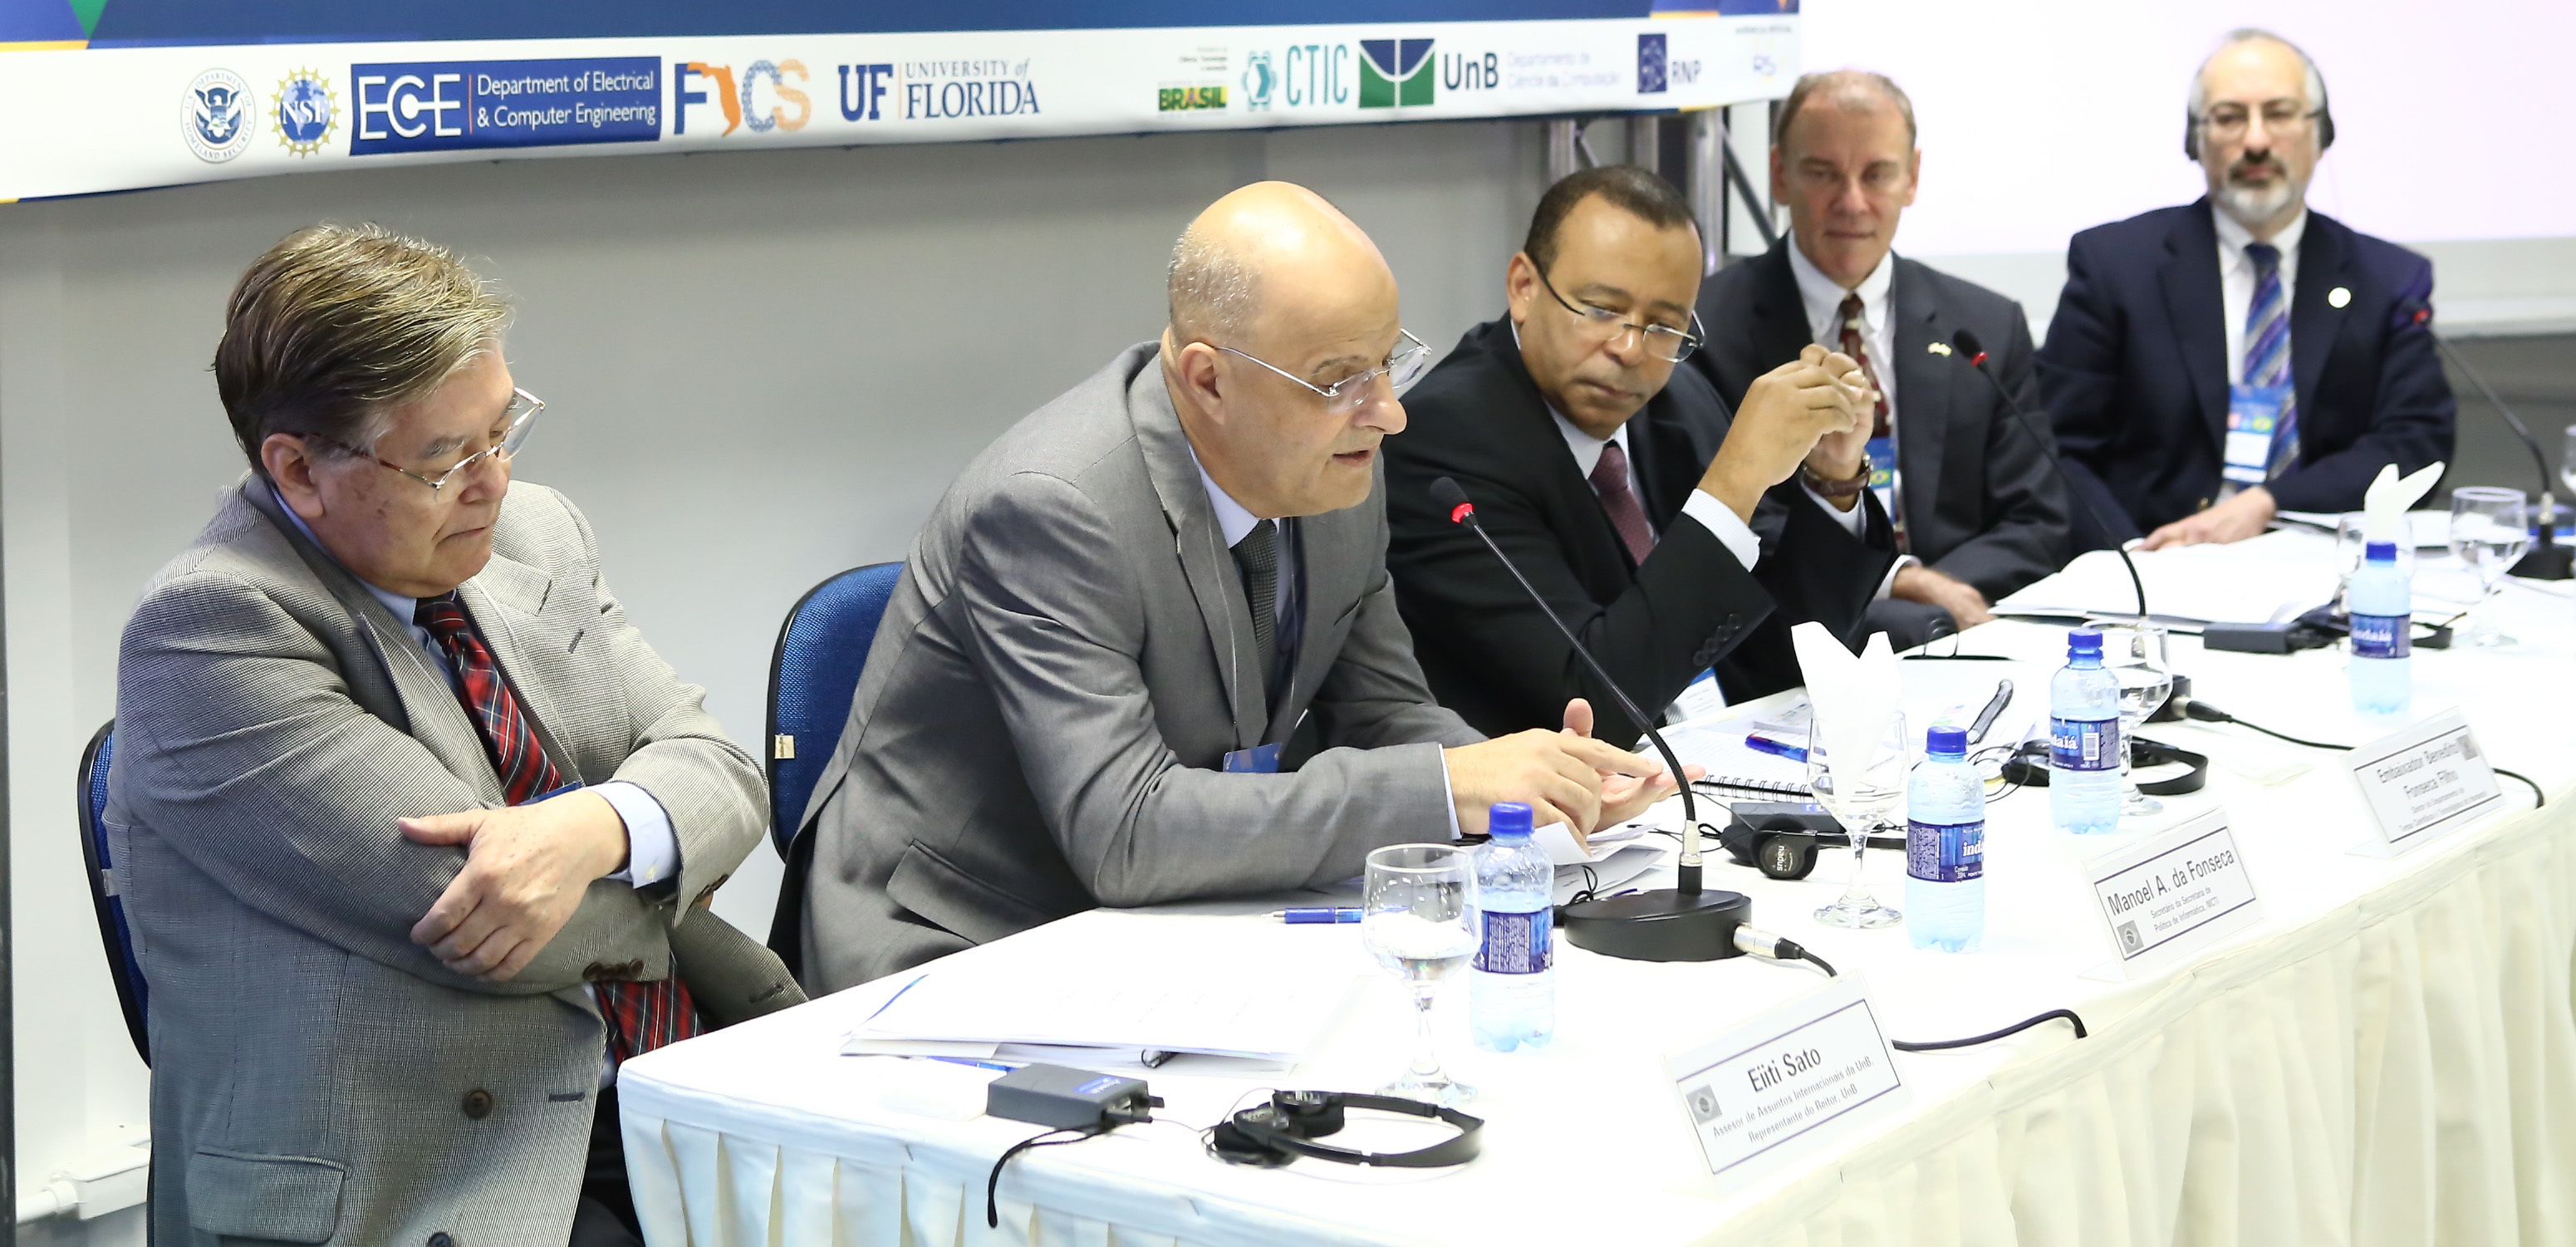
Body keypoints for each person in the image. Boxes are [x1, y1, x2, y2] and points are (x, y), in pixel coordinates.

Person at [782, 182, 1672, 996]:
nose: (1388, 412)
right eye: (1340, 379)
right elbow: (1128, 832)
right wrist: (1448, 784)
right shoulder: (1052, 507)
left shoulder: (1337, 468)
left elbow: (1387, 713)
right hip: (962, 945)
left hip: (1168, 924)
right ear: (1208, 378)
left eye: (1387, 363)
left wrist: (1536, 792)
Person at [110, 226, 795, 1247]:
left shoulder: (537, 532)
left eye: (503, 430)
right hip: (434, 1164)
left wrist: (595, 829)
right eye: (444, 459)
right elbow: (500, 929)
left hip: (661, 1078)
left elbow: (727, 774)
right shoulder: (213, 628)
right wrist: (670, 844)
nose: (494, 480)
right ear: (299, 469)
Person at [1381, 163, 1892, 735]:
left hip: (1714, 757)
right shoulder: (1444, 441)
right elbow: (1592, 702)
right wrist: (1736, 480)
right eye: (1601, 311)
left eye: (1664, 326)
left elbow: (1783, 656)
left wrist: (1833, 479)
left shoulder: (1679, 399)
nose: (1630, 349)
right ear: (1524, 287)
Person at [2039, 29, 2456, 549]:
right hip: (2155, 557)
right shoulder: (2117, 267)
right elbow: (2057, 448)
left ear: (2321, 134)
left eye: (2279, 114)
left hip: (2326, 562)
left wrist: (2268, 502)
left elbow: (2414, 443)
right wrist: (2133, 564)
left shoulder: (2388, 279)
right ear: (2195, 141)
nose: (2256, 142)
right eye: (2230, 118)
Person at [1691, 71, 2073, 638]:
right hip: (1790, 641)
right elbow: (1719, 524)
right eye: (1823, 173)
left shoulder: (1986, 324)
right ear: (1779, 174)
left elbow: (2037, 521)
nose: (1851, 203)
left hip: (1960, 632)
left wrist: (1935, 595)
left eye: (1876, 174)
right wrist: (1899, 582)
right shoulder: (1706, 329)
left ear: (1912, 178)